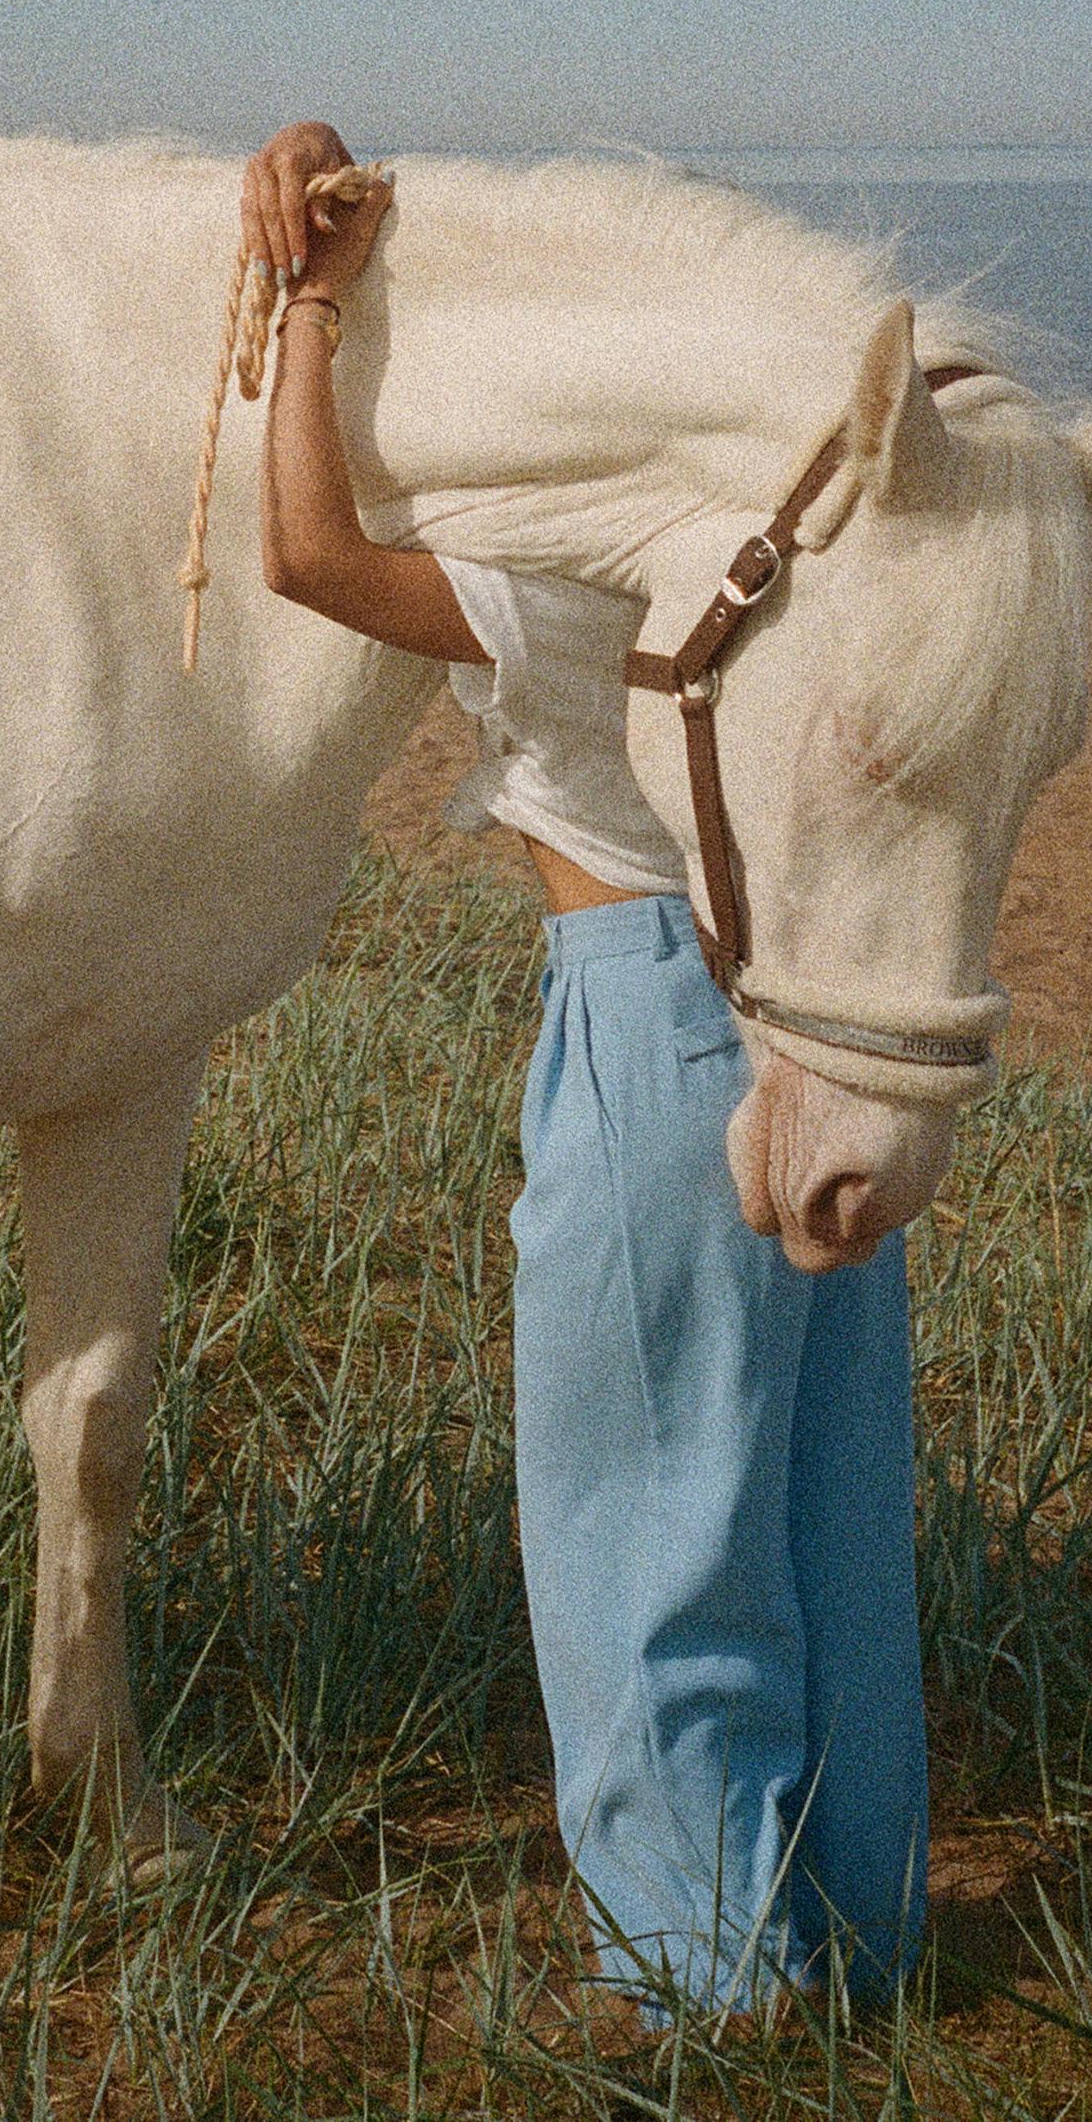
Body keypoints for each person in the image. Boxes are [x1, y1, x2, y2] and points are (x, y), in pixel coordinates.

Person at [241, 122, 933, 2017]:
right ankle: (859, 1939)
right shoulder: (750, 548)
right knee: (825, 1513)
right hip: (807, 1000)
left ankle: (704, 1981)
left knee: (646, 1522)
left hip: (648, 1003)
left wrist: (310, 309)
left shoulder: (566, 562)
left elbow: (307, 547)